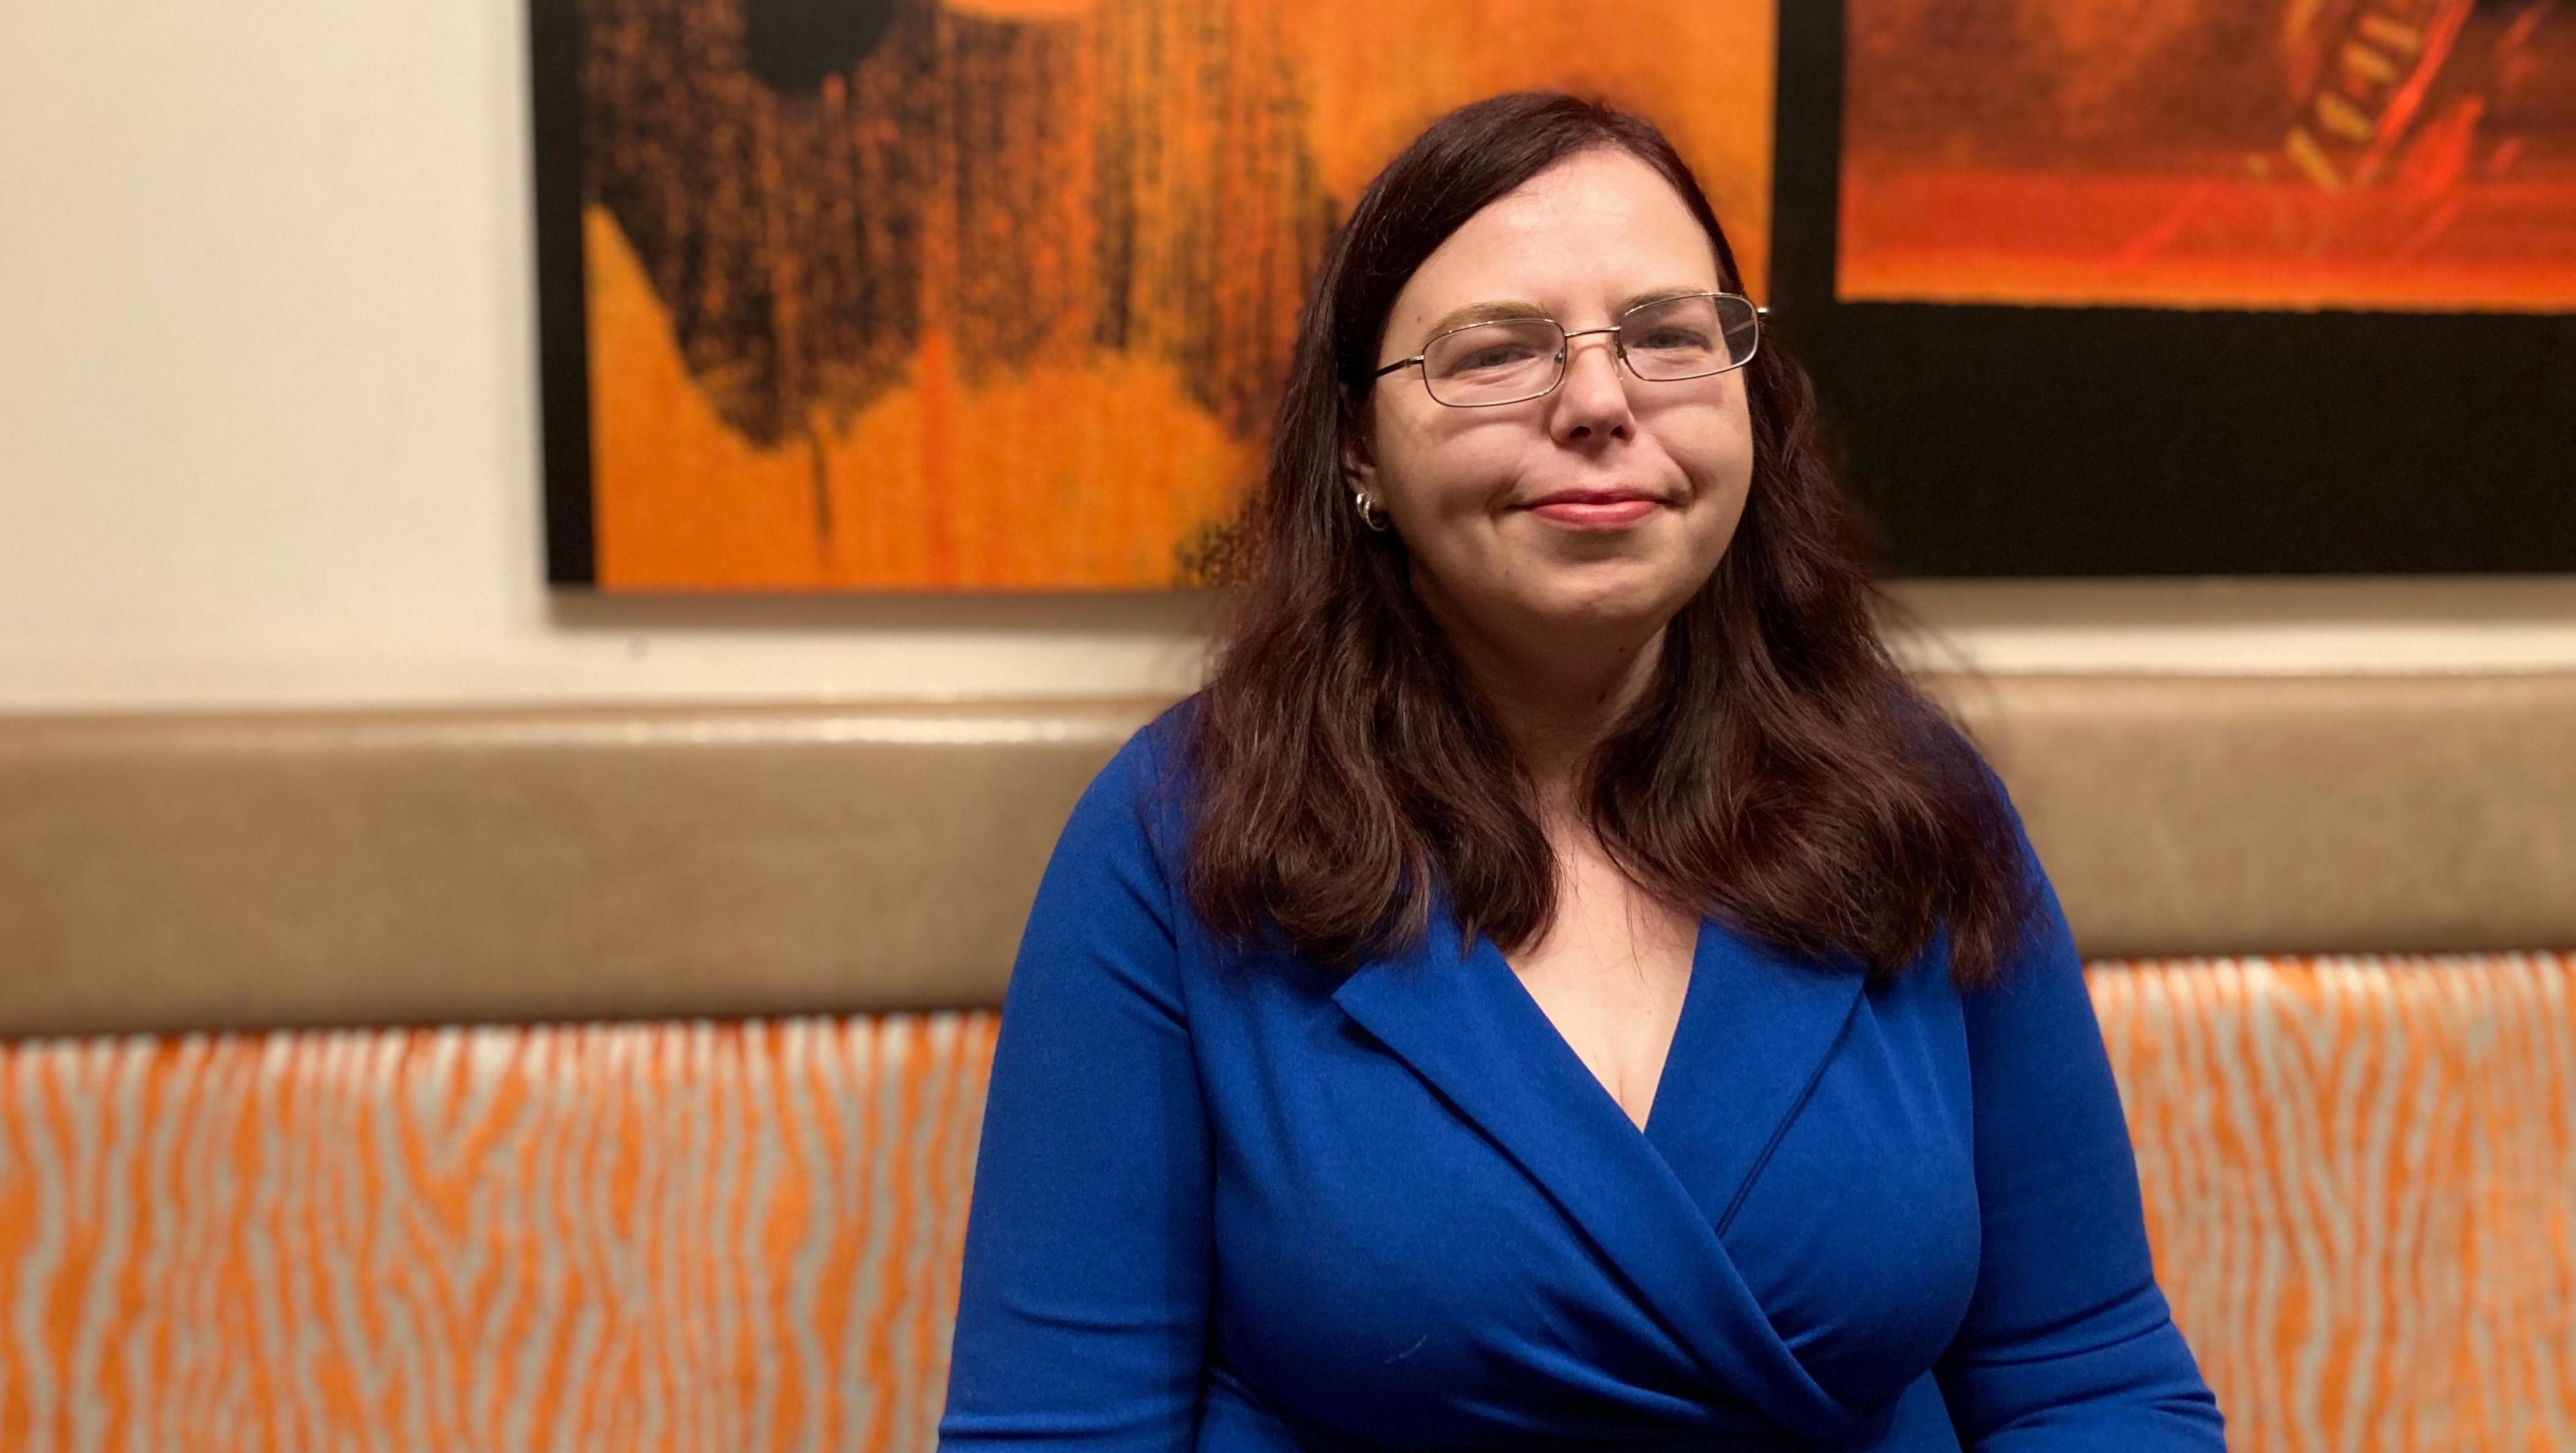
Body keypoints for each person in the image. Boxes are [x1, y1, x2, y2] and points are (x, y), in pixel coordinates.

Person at [936, 91, 2225, 1450]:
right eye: (1495, 353)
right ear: (1360, 449)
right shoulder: (1177, 835)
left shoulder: (1912, 797)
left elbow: (2089, 1378)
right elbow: (1055, 1433)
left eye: (1669, 336)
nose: (1602, 403)